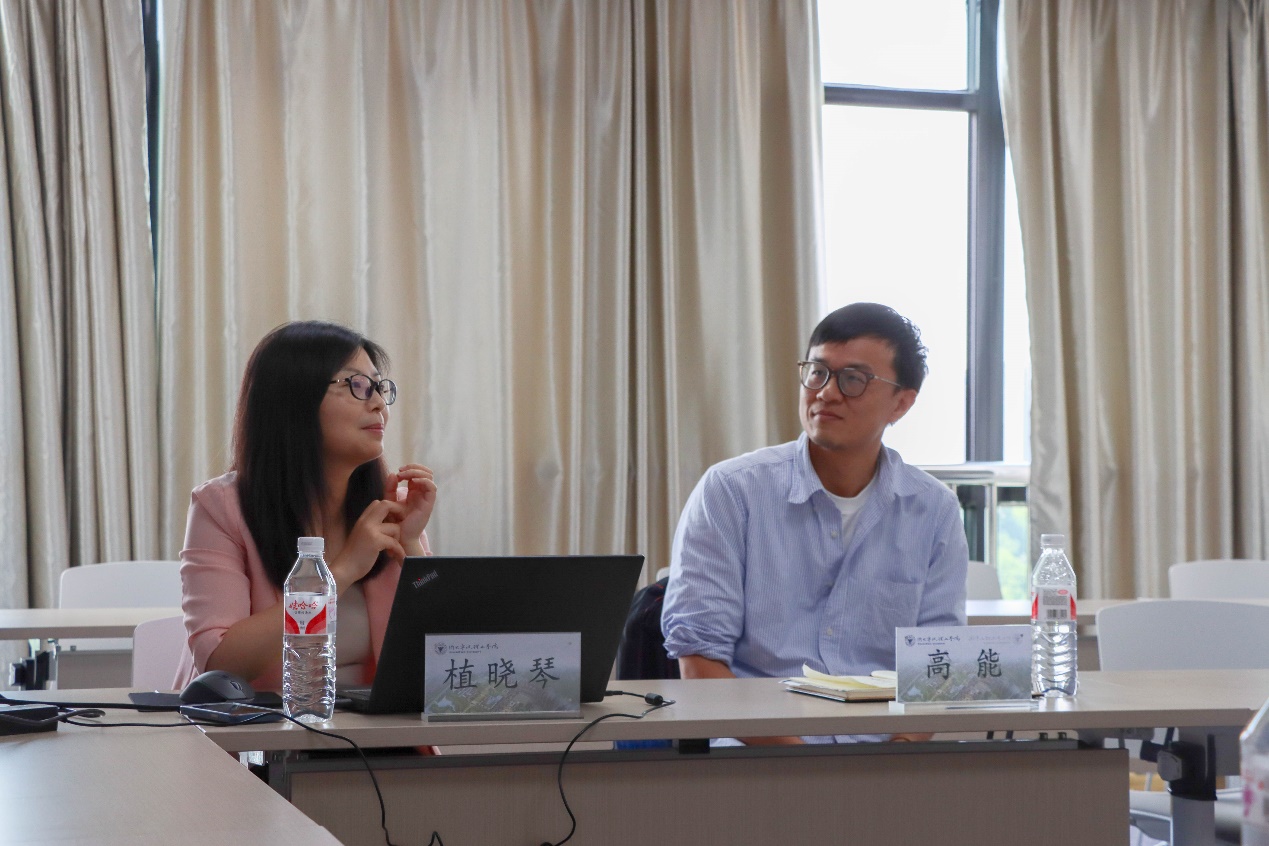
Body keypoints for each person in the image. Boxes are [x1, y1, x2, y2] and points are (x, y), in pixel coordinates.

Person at [660, 302, 968, 744]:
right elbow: (699, 660)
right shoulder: (731, 491)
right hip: (755, 754)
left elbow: (940, 666)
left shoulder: (934, 509)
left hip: (882, 757)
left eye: (853, 380)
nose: (826, 393)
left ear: (901, 403)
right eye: (818, 373)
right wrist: (800, 763)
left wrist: (893, 761)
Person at [173, 320, 437, 691]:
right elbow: (220, 661)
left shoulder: (389, 506)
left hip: (377, 727)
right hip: (263, 725)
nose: (379, 403)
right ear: (294, 399)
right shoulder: (222, 508)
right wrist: (342, 571)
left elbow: (447, 652)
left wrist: (411, 552)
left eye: (379, 387)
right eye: (357, 385)